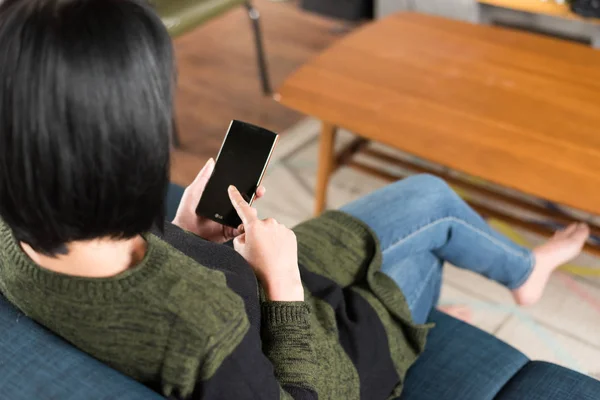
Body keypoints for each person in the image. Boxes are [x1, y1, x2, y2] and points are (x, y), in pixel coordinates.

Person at [0, 0, 590, 399]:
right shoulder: (197, 327)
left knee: (429, 198)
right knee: (431, 235)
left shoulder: (15, 231)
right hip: (297, 325)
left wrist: (182, 230)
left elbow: (146, 276)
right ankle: (498, 284)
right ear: (123, 153)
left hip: (233, 277)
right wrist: (282, 282)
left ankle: (521, 271)